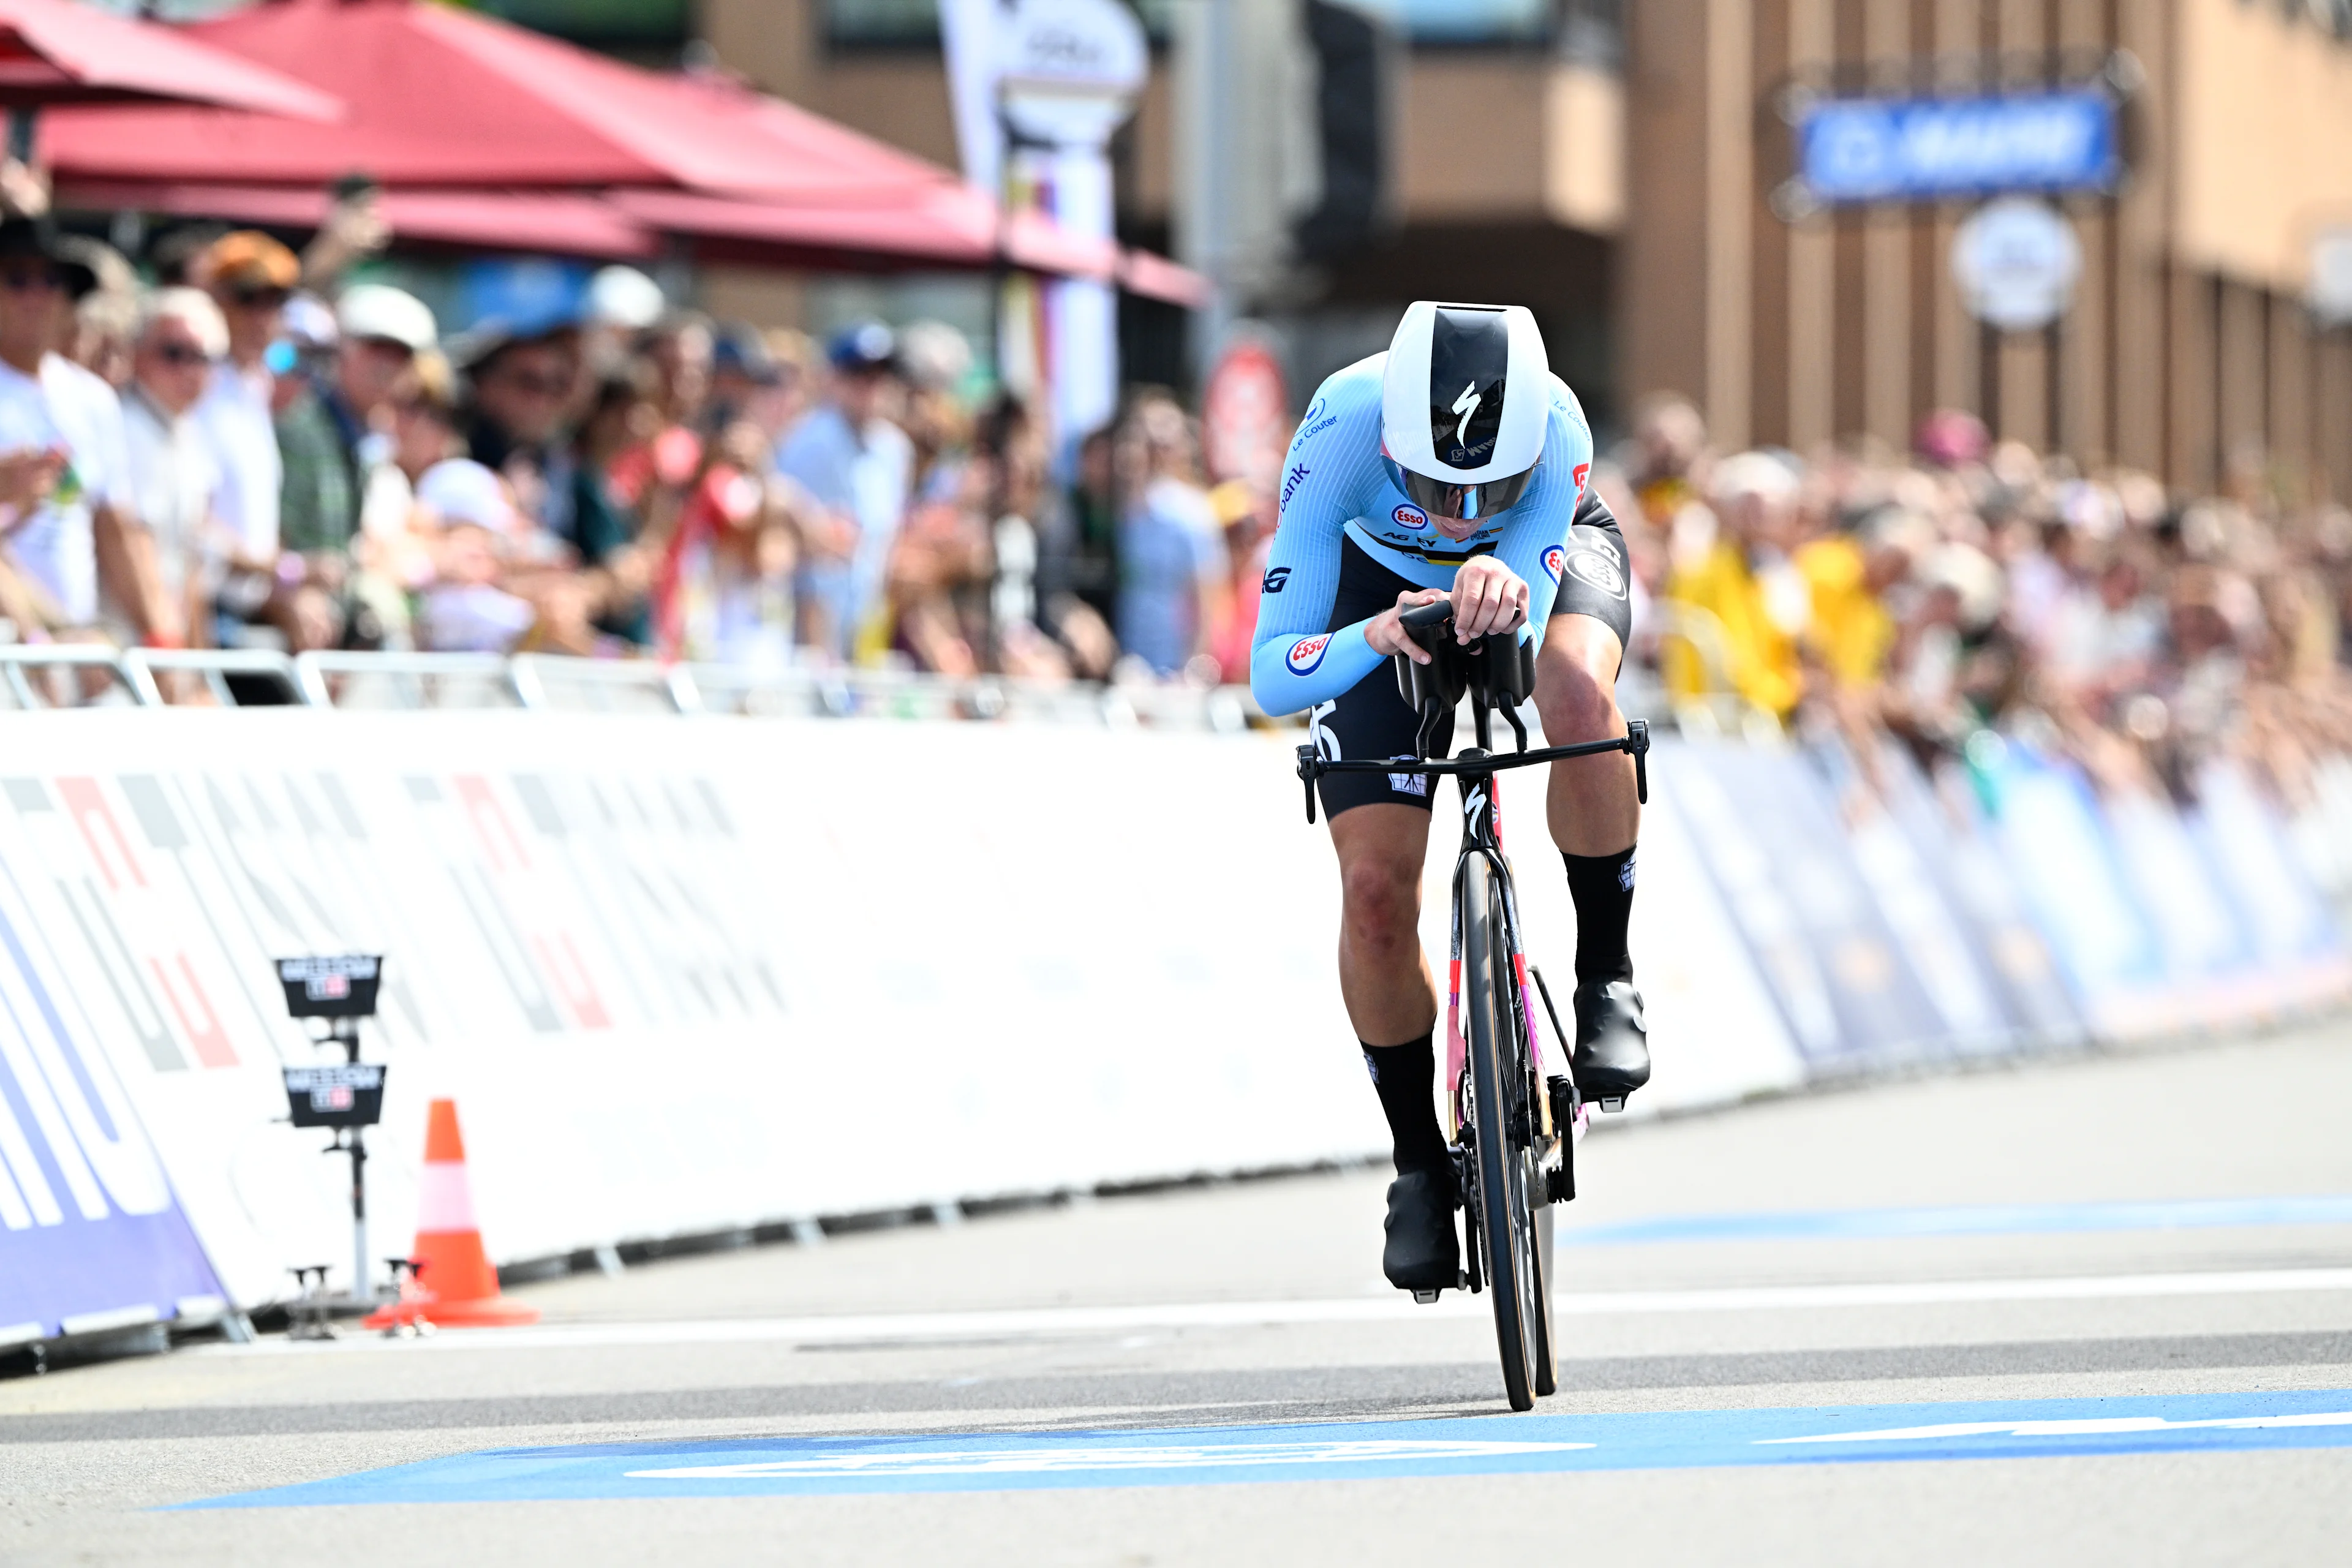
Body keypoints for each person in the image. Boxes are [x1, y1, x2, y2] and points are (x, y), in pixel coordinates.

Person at [1248, 301, 1645, 1294]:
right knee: (1377, 895)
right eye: (1435, 485)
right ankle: (1418, 1162)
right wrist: (1375, 637)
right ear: (1392, 445)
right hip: (1376, 593)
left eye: (1491, 487)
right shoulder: (1342, 423)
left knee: (1575, 689)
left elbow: (1523, 605)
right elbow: (1272, 676)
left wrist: (1498, 583)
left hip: (1533, 578)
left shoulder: (1555, 424)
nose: (1466, 509)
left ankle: (1607, 971)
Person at [0, 219, 145, 647]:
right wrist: (45, 635)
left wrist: (161, 640)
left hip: (71, 645)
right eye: (17, 279)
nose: (37, 295)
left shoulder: (93, 398)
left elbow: (115, 527)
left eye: (51, 281)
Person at [774, 322, 913, 660]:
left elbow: (886, 540)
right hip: (807, 626)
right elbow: (797, 546)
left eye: (880, 376)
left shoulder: (894, 447)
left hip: (868, 615)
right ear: (836, 378)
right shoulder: (809, 441)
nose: (872, 387)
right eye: (861, 375)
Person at [120, 287, 232, 653]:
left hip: (163, 648)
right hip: (121, 646)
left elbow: (190, 565)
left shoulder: (192, 435)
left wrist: (199, 672)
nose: (189, 369)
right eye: (173, 353)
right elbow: (127, 542)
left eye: (203, 357)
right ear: (137, 353)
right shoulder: (122, 426)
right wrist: (162, 641)